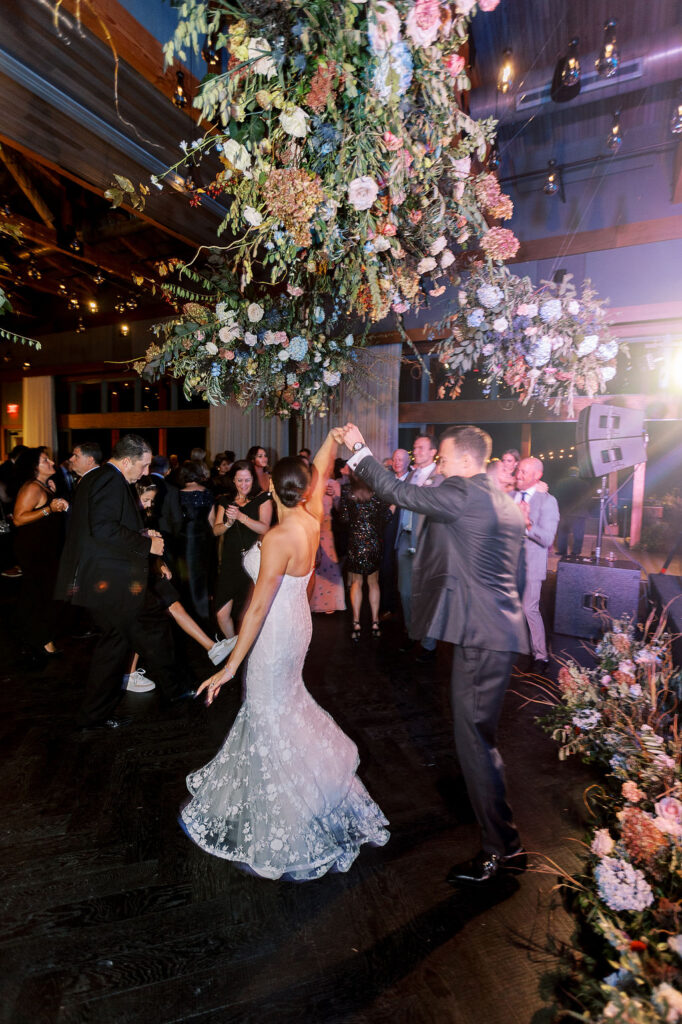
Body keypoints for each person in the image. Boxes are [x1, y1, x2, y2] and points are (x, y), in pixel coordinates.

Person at [181, 433, 389, 880]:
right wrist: (332, 441)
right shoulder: (312, 518)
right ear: (307, 488)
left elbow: (256, 606)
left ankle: (287, 819)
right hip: (299, 626)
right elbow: (315, 473)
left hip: (275, 632)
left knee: (268, 710)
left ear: (274, 490)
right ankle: (308, 790)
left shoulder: (278, 536)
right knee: (286, 704)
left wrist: (231, 664)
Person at [340, 422, 528, 884]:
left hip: (481, 641)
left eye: (442, 460)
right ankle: (508, 844)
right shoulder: (503, 500)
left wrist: (360, 451)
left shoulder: (465, 494)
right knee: (479, 740)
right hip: (497, 634)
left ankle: (498, 851)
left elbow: (398, 493)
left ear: (465, 461)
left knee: (475, 746)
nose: (439, 467)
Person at [55, 433, 192, 729]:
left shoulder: (97, 478)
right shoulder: (110, 480)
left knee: (115, 644)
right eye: (143, 466)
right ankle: (176, 690)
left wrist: (141, 535)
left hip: (103, 579)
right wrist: (147, 546)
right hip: (112, 581)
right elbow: (104, 529)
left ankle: (93, 715)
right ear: (127, 461)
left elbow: (100, 531)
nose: (145, 473)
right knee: (153, 625)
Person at [124, 478, 235, 693]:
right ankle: (129, 673)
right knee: (141, 621)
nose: (148, 505)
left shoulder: (140, 513)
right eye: (146, 500)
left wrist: (159, 562)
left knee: (172, 604)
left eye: (151, 501)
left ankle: (212, 648)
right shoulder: (126, 512)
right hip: (129, 574)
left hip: (146, 569)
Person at [13, 447, 69, 662]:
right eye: (45, 460)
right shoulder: (32, 488)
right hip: (34, 550)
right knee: (45, 595)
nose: (52, 462)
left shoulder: (43, 486)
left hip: (44, 549)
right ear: (34, 467)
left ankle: (37, 640)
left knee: (42, 595)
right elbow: (18, 518)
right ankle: (41, 641)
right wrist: (49, 509)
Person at [212, 459, 273, 641]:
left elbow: (265, 528)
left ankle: (249, 649)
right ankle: (236, 646)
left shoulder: (263, 498)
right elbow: (216, 530)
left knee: (250, 612)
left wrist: (241, 517)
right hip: (231, 561)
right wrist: (228, 523)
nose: (243, 484)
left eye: (247, 480)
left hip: (255, 561)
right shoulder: (225, 500)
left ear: (253, 479)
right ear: (233, 480)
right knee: (221, 614)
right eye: (239, 480)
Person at [395, 435, 441, 661]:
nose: (417, 451)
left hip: (426, 543)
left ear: (433, 451)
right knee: (405, 592)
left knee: (426, 595)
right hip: (405, 538)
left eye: (422, 448)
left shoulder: (440, 478)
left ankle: (429, 644)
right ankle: (412, 633)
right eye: (415, 447)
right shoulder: (410, 476)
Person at [515, 457, 560, 674]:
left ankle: (540, 656)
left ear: (537, 476)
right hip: (507, 565)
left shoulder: (548, 501)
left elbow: (547, 538)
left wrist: (527, 525)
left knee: (529, 609)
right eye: (518, 470)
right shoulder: (511, 495)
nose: (518, 474)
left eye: (524, 471)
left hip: (531, 565)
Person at [337, 472, 391, 640]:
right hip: (373, 543)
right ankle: (375, 622)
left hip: (355, 544)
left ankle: (356, 623)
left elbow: (344, 519)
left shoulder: (348, 493)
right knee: (374, 583)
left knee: (356, 583)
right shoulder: (377, 494)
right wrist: (392, 507)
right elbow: (385, 518)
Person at [176, 461, 214, 630]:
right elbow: (212, 521)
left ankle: (190, 614)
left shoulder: (178, 494)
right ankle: (203, 613)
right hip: (205, 538)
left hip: (185, 539)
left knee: (187, 576)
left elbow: (175, 521)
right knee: (202, 575)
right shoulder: (207, 493)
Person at [379, 448, 410, 618]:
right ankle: (389, 606)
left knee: (404, 571)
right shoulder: (387, 481)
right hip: (388, 528)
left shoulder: (413, 481)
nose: (397, 462)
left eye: (400, 459)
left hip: (406, 529)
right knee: (387, 568)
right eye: (395, 459)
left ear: (408, 462)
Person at [309, 473, 346, 614]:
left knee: (329, 565)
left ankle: (330, 601)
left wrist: (334, 496)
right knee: (312, 567)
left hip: (326, 529)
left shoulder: (333, 484)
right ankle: (313, 601)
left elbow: (339, 508)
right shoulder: (310, 482)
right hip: (311, 528)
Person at [553, 466, 593, 557]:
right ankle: (576, 552)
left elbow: (556, 497)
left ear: (569, 472)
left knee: (563, 533)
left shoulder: (561, 483)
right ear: (577, 473)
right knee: (578, 533)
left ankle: (562, 551)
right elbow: (588, 498)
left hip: (565, 511)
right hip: (580, 512)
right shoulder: (584, 484)